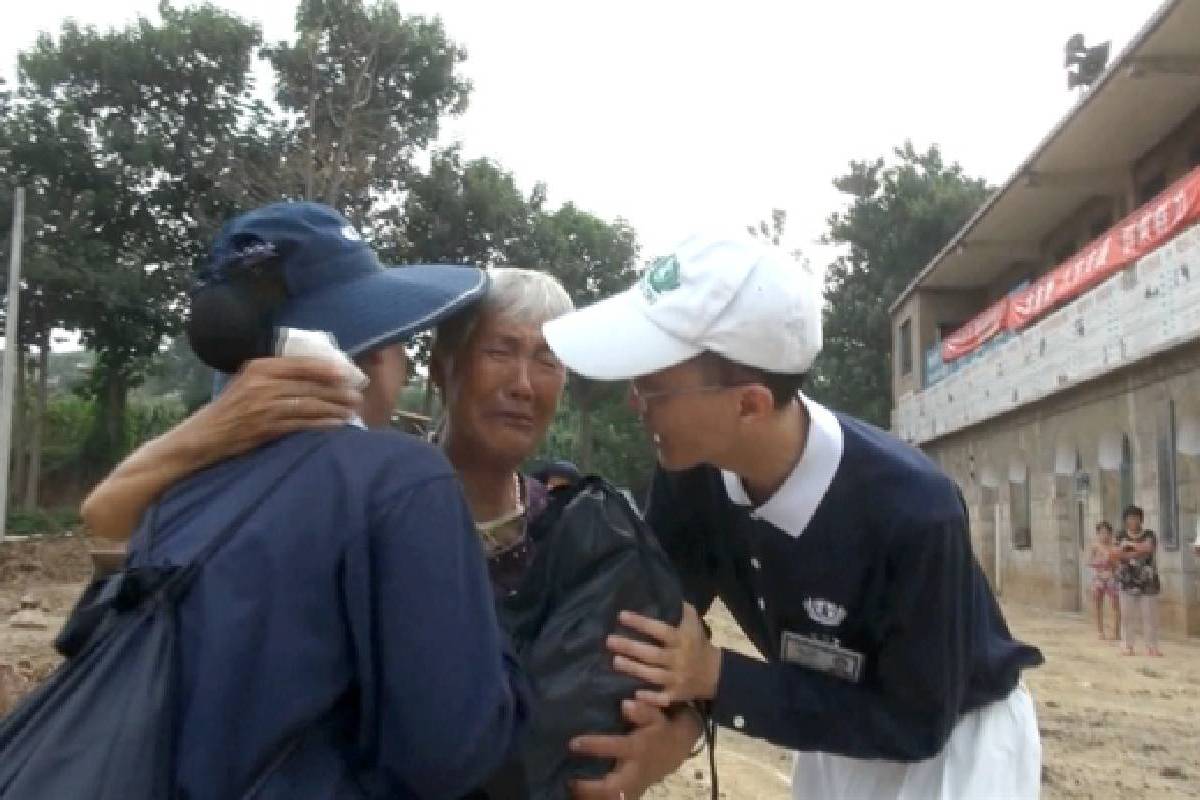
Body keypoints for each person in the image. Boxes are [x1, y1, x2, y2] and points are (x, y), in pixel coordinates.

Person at [83, 266, 699, 798]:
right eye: (500, 350)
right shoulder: (359, 511)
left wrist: (682, 727)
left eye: (547, 362)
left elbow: (659, 674)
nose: (523, 383)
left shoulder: (574, 531)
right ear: (440, 370)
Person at [541, 233, 1046, 800]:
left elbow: (915, 722)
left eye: (653, 386)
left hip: (953, 748)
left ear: (749, 404)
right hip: (826, 725)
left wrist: (719, 679)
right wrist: (672, 727)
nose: (634, 401)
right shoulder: (691, 474)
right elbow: (665, 624)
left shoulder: (914, 512)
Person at [86, 201, 527, 799]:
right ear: (373, 354)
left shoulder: (172, 495)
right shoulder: (400, 478)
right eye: (401, 341)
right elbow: (451, 751)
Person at [1115, 505, 1163, 657]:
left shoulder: (1149, 534)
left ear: (1141, 519)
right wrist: (1134, 551)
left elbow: (1148, 548)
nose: (1133, 521)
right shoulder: (1120, 535)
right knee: (1127, 616)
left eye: (1136, 517)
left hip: (1148, 581)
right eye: (1130, 518)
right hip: (1127, 581)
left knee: (1150, 616)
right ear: (1125, 520)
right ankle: (1127, 645)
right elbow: (1118, 554)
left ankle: (1152, 647)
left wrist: (1129, 547)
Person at [1088, 521, 1121, 640]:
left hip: (1112, 577)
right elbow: (1089, 561)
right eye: (1101, 533)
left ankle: (1116, 631)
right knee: (1097, 604)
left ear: (1110, 534)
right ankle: (1100, 631)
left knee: (1115, 605)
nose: (1104, 535)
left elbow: (1119, 563)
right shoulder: (1095, 546)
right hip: (1099, 578)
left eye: (1106, 533)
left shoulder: (1115, 547)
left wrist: (1112, 563)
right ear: (1098, 534)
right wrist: (1098, 562)